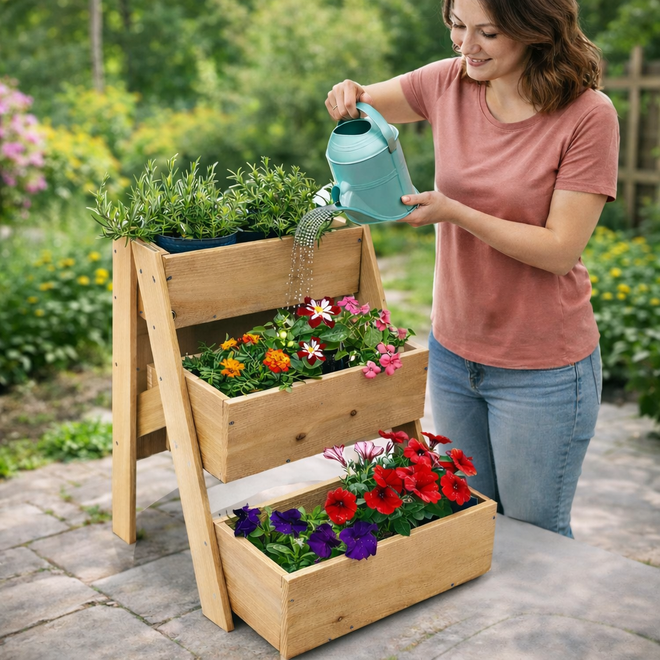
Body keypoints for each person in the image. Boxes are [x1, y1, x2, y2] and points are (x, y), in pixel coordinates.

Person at [326, 0, 619, 538]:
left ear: (536, 30)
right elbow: (365, 102)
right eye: (458, 27)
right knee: (470, 524)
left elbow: (559, 250)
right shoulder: (448, 82)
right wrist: (349, 93)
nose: (466, 46)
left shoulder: (588, 115)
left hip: (543, 371)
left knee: (535, 539)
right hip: (455, 357)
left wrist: (455, 212)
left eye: (488, 32)